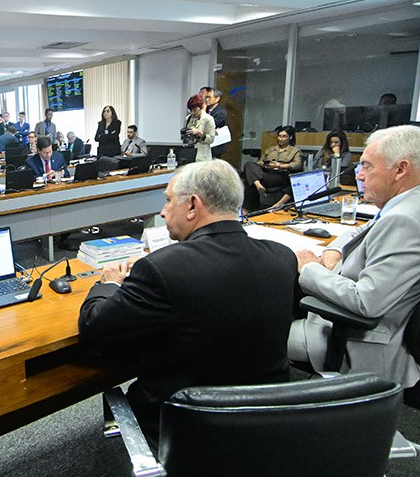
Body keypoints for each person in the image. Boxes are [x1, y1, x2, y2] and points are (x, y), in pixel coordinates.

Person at [79, 160, 297, 439]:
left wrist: (109, 281)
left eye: (169, 201)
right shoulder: (282, 258)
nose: (162, 210)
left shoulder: (162, 269)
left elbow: (94, 327)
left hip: (184, 428)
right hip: (268, 422)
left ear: (193, 206)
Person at [288, 125, 420, 387]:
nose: (359, 175)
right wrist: (335, 248)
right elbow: (367, 228)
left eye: (367, 166)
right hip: (363, 323)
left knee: (253, 333)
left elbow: (366, 302)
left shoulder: (406, 221)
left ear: (401, 169)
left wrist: (311, 269)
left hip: (356, 339)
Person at [242, 125, 302, 211]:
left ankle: (246, 209)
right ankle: (258, 185)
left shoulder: (295, 151)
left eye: (284, 136)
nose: (281, 139)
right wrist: (263, 164)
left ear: (290, 137)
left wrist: (279, 165)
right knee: (249, 164)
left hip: (281, 176)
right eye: (279, 136)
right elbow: (260, 162)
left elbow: (297, 165)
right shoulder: (271, 149)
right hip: (267, 172)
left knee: (248, 180)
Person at [183, 94, 215, 162]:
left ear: (201, 107)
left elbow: (211, 139)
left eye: (195, 110)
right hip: (189, 155)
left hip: (202, 157)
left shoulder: (208, 119)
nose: (193, 112)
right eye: (191, 110)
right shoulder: (188, 118)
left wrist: (198, 133)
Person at [203, 87, 228, 159]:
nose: (207, 100)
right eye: (206, 97)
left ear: (217, 99)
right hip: (204, 144)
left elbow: (209, 125)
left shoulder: (221, 112)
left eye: (209, 98)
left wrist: (204, 112)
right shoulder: (204, 110)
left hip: (215, 146)